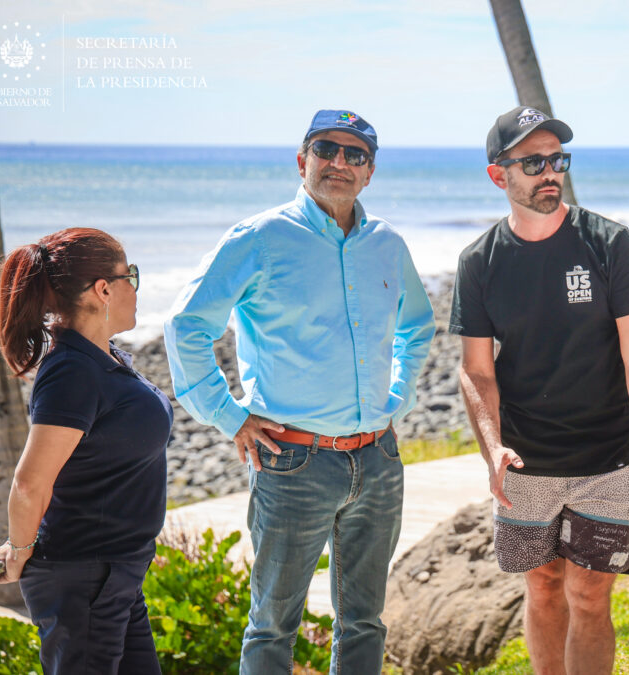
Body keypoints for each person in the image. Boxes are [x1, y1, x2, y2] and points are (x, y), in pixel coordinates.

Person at [165, 109, 434, 674]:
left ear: (370, 171)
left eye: (354, 154)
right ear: (302, 160)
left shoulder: (387, 243)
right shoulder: (259, 238)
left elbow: (417, 324)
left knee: (365, 619)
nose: (339, 163)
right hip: (292, 462)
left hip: (379, 458)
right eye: (325, 150)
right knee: (272, 627)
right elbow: (186, 325)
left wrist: (400, 396)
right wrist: (228, 416)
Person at [450, 106, 629, 675]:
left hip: (610, 458)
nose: (551, 172)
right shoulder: (479, 261)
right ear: (500, 175)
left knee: (591, 595)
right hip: (526, 462)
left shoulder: (609, 243)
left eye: (557, 160)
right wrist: (492, 449)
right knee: (544, 587)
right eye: (533, 162)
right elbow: (476, 370)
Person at [0, 228, 171, 674]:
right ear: (103, 289)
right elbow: (30, 482)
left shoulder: (102, 358)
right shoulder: (71, 371)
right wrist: (19, 546)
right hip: (84, 575)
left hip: (115, 575)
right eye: (132, 276)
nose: (136, 287)